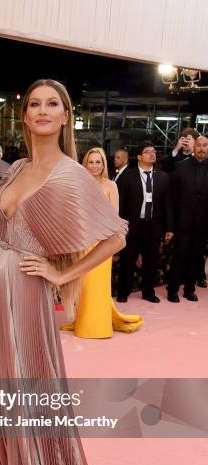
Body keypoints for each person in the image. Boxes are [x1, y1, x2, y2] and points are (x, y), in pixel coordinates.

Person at [0, 79, 141, 465]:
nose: (43, 111)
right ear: (25, 115)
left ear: (66, 117)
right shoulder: (19, 168)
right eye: (35, 104)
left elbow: (115, 236)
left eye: (54, 105)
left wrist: (63, 274)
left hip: (25, 298)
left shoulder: (70, 176)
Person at [61, 147, 143, 337]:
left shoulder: (110, 186)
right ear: (85, 164)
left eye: (99, 162)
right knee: (83, 284)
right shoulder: (77, 185)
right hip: (81, 241)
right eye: (91, 161)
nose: (95, 165)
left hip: (102, 242)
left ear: (104, 164)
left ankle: (98, 326)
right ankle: (82, 323)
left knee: (98, 285)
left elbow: (114, 216)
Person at [117, 142, 173, 303]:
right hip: (132, 225)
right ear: (139, 157)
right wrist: (119, 225)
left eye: (154, 151)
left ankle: (148, 292)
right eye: (148, 152)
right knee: (127, 259)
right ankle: (123, 292)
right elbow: (120, 203)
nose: (152, 154)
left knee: (151, 260)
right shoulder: (128, 176)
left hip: (153, 225)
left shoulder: (162, 177)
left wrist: (169, 227)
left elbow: (167, 204)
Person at [167, 135, 208, 302]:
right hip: (181, 223)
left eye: (205, 145)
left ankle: (190, 290)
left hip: (202, 224)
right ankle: (172, 290)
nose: (201, 148)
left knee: (196, 257)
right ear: (194, 146)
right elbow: (171, 198)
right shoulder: (180, 167)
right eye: (199, 145)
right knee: (179, 256)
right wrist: (170, 225)